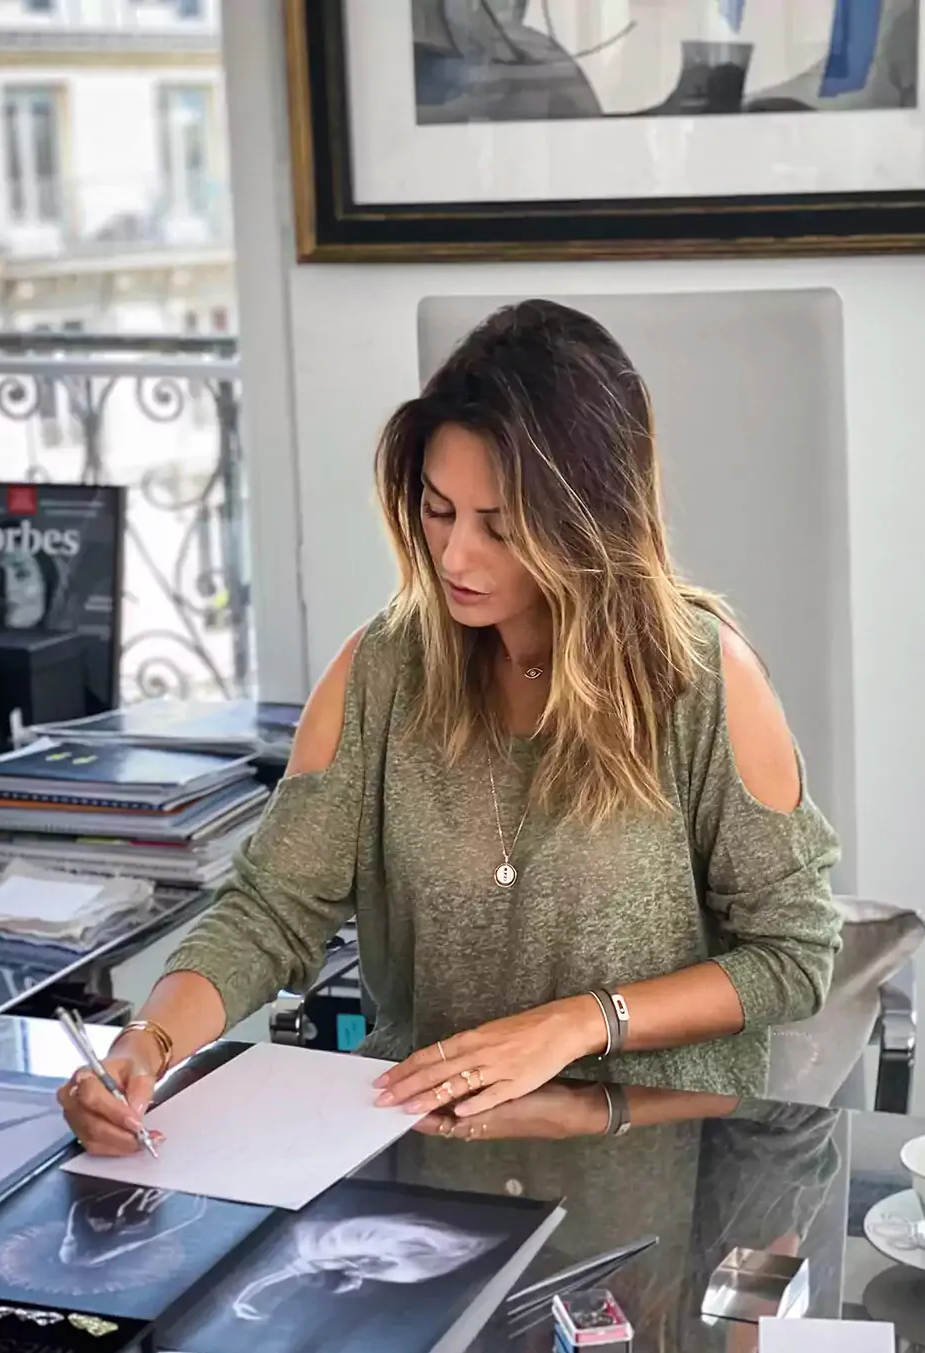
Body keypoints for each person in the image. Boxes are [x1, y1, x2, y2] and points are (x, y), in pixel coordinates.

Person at [60, 298, 841, 1157]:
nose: (455, 556)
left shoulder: (702, 679)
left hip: (653, 1159)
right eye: (438, 511)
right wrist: (148, 1043)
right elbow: (269, 911)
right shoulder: (379, 671)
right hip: (424, 1158)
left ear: (590, 521)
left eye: (500, 527)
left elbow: (793, 955)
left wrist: (579, 1026)